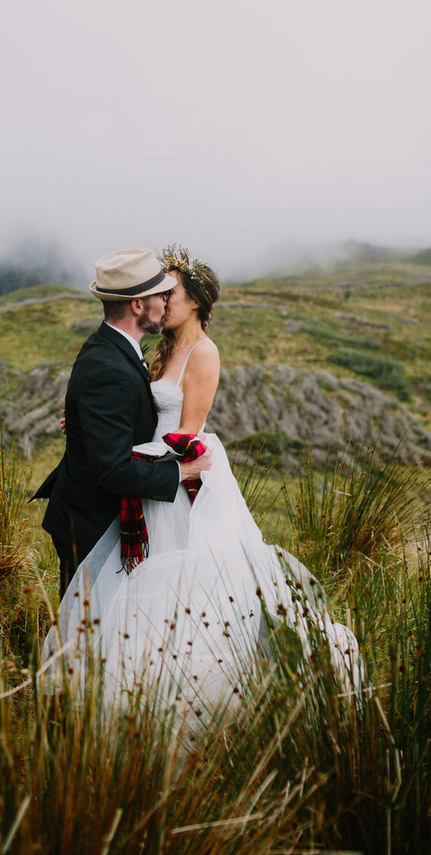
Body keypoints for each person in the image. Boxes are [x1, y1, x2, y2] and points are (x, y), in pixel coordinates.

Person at [48, 246, 362, 706]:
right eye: (158, 293)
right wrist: (86, 428)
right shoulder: (158, 348)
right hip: (147, 476)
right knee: (144, 588)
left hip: (173, 473)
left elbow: (183, 433)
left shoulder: (203, 351)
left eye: (170, 291)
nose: (164, 300)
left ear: (194, 300)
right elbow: (126, 412)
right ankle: (127, 677)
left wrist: (158, 462)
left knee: (181, 585)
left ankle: (178, 682)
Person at [31, 248, 212, 597]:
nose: (166, 301)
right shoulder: (111, 368)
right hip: (90, 523)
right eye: (160, 294)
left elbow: (124, 412)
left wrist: (89, 427)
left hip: (97, 513)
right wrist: (181, 473)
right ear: (137, 306)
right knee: (87, 629)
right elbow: (111, 471)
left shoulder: (114, 347)